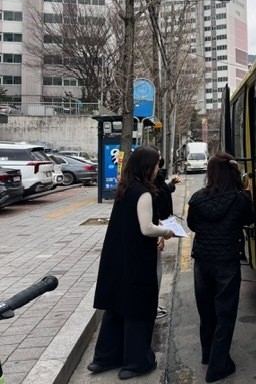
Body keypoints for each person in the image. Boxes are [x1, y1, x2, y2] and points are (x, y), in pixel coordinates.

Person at [88, 146, 175, 380]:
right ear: (146, 166)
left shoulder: (125, 188)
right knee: (137, 309)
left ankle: (104, 358)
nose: (158, 168)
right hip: (137, 258)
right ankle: (135, 363)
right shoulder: (143, 193)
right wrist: (166, 232)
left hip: (117, 256)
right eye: (156, 164)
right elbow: (146, 228)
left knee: (116, 306)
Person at [187, 152, 254, 383]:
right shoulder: (240, 198)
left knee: (206, 311)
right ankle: (218, 366)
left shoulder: (197, 198)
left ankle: (208, 354)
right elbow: (249, 220)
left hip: (202, 261)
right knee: (225, 313)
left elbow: (192, 225)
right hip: (227, 261)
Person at [152, 153, 181, 319]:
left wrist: (171, 184)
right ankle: (150, 307)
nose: (159, 166)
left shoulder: (157, 181)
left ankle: (152, 305)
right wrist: (162, 232)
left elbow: (164, 191)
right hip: (152, 235)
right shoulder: (146, 187)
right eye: (157, 162)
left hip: (157, 229)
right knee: (154, 271)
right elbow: (153, 213)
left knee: (157, 270)